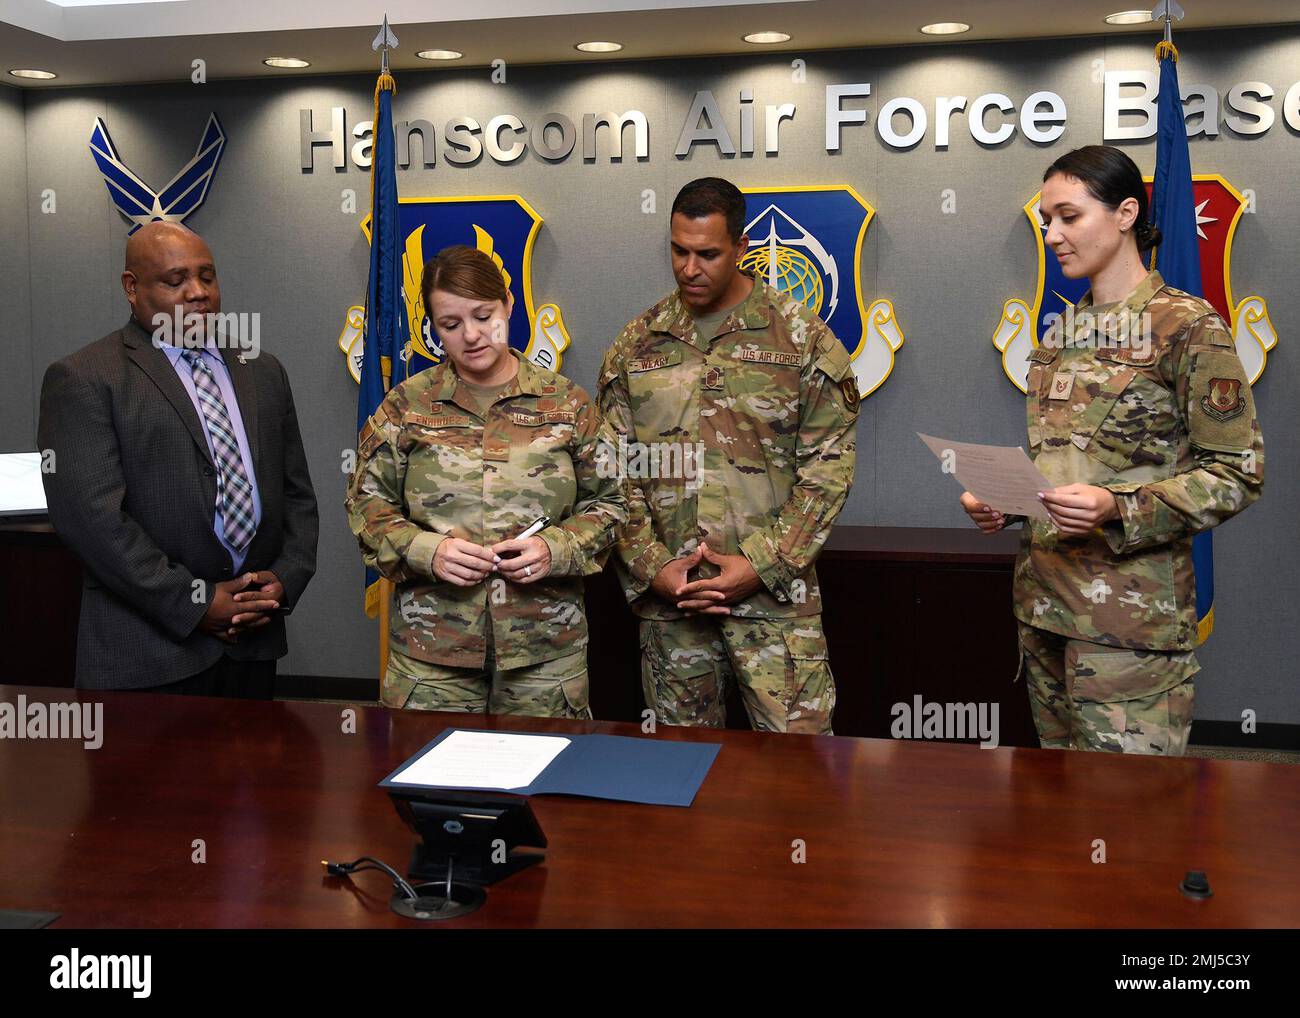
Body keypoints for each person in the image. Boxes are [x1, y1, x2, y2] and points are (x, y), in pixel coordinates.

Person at [961, 145, 1264, 755]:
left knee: (1131, 824)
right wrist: (1009, 500)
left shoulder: (1186, 326)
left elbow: (1237, 473)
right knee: (1061, 814)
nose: (1051, 235)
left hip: (1130, 632)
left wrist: (1115, 508)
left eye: (1068, 217)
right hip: (1045, 613)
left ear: (1126, 214)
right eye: (1048, 220)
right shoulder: (1061, 333)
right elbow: (1064, 467)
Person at [599, 177, 859, 735]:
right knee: (679, 775)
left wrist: (761, 565)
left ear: (741, 248)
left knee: (801, 778)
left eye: (708, 254)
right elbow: (610, 473)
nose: (689, 268)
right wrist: (654, 567)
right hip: (675, 612)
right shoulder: (637, 344)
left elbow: (828, 470)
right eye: (678, 250)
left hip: (776, 610)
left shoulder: (800, 339)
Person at [38, 221, 319, 696]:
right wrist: (194, 602)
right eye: (175, 281)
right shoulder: (85, 377)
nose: (197, 293)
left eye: (207, 277)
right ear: (132, 287)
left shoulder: (262, 369)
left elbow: (297, 495)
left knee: (258, 772)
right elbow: (92, 520)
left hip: (253, 643)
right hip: (148, 655)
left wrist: (284, 581)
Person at [346, 245, 625, 717]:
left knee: (544, 783)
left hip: (544, 652)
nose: (472, 336)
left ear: (509, 305)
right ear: (432, 328)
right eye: (451, 325)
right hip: (432, 653)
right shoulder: (407, 405)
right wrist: (425, 551)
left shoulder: (567, 404)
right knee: (429, 781)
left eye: (484, 316)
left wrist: (555, 548)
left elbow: (612, 504)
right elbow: (365, 505)